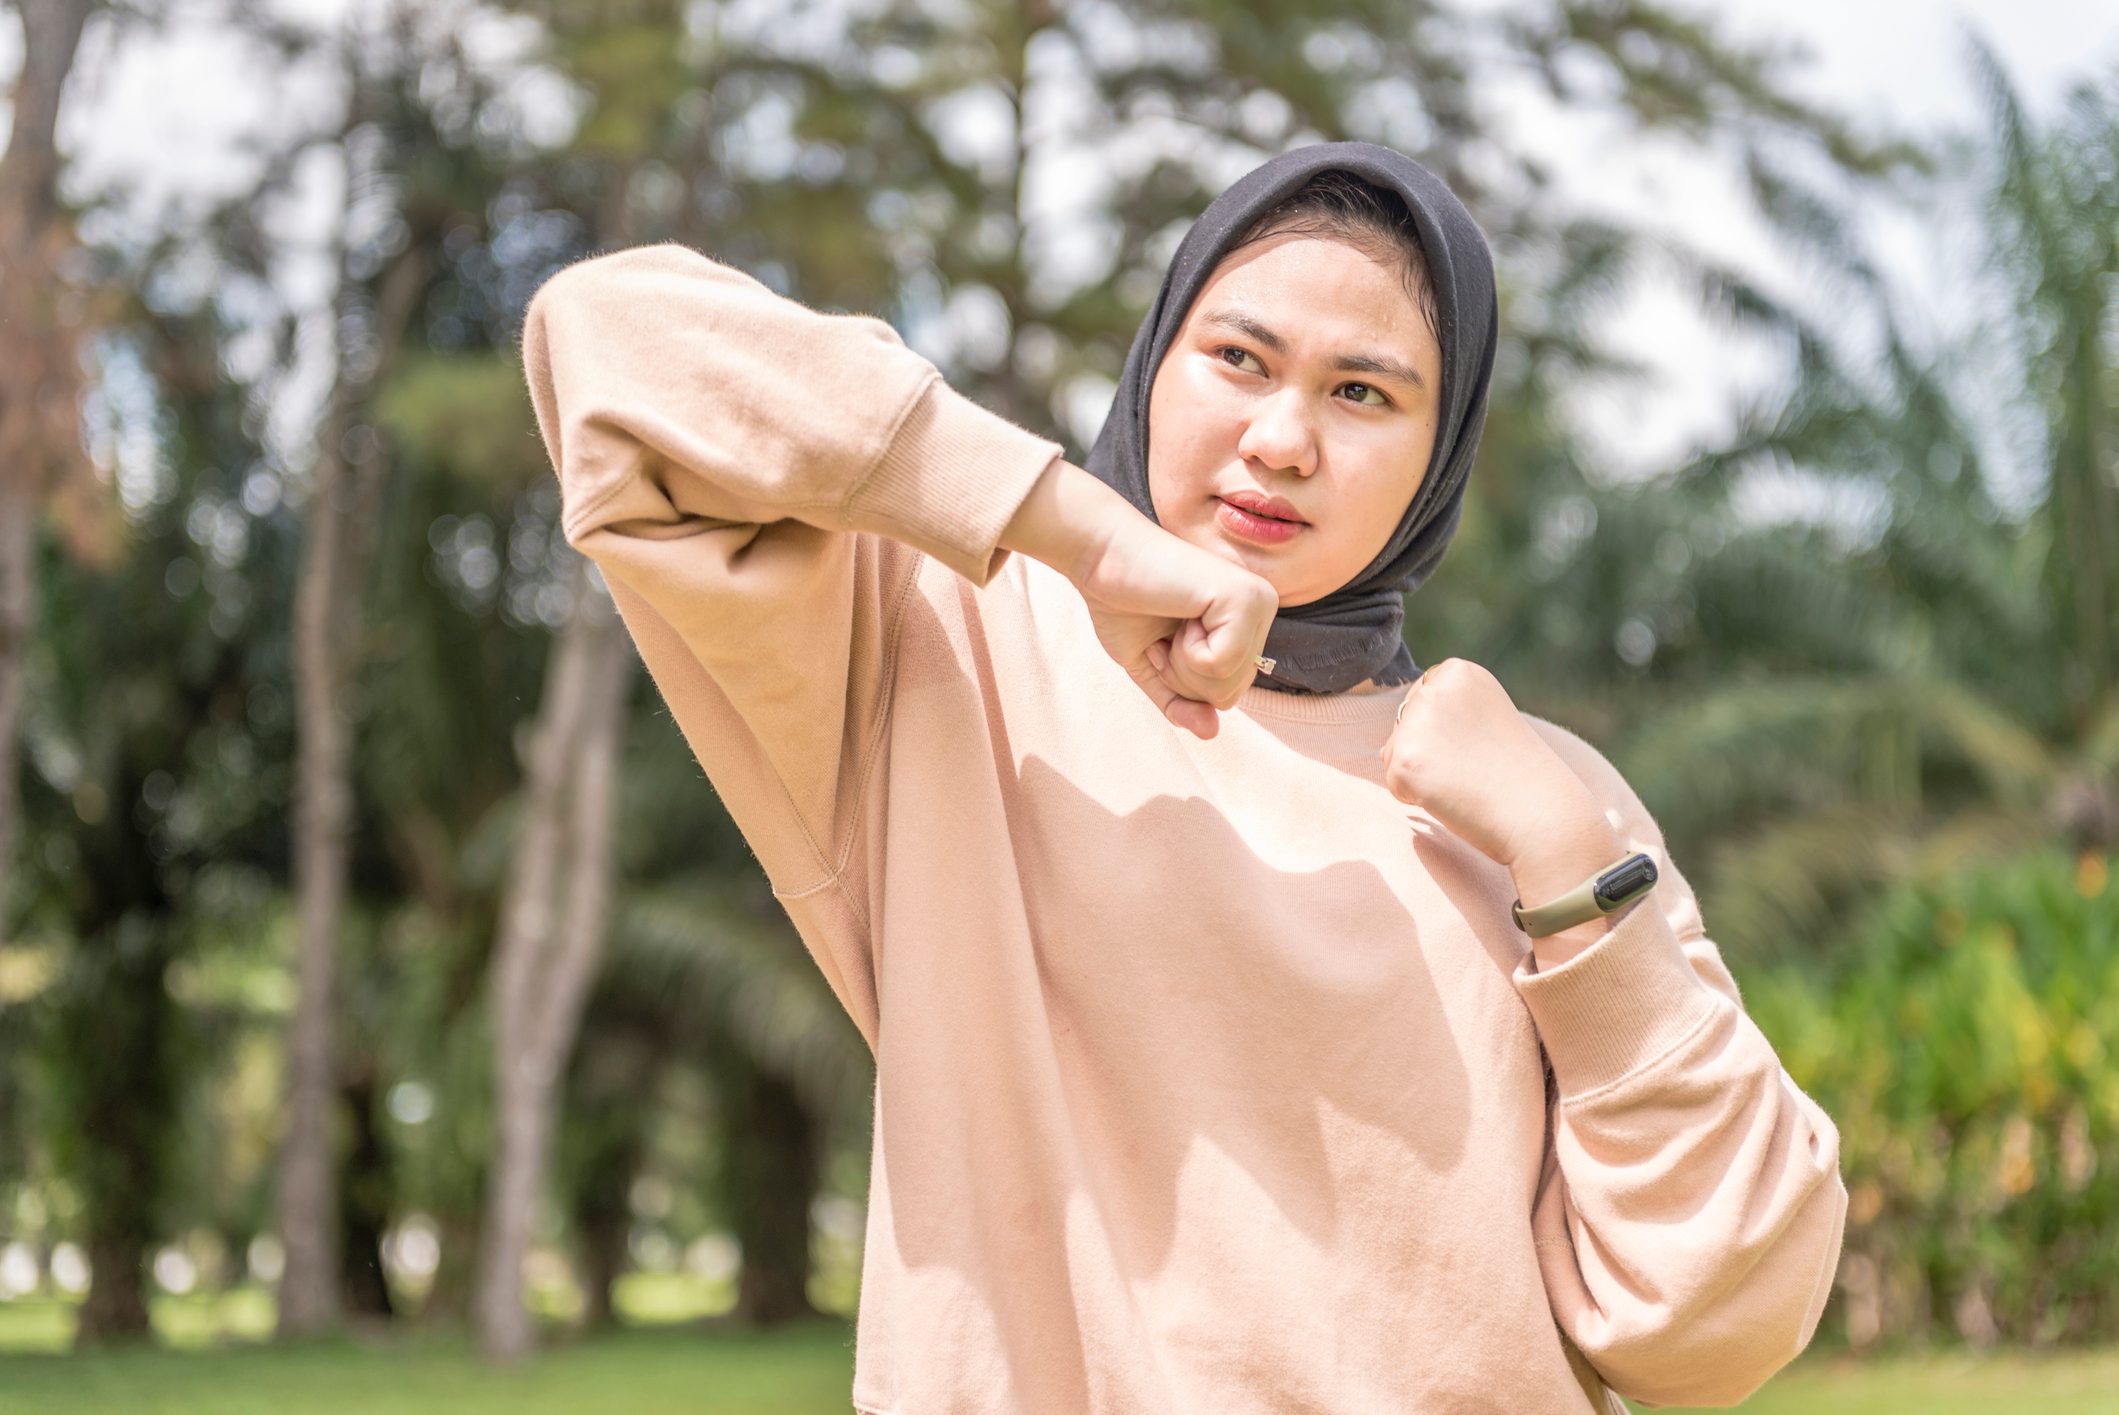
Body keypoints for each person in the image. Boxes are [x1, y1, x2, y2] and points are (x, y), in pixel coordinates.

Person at [519, 140, 1848, 1414]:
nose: (1281, 439)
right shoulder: (944, 649)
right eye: (1237, 358)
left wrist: (1568, 864)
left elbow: (1720, 1321)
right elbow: (609, 342)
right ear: (1156, 362)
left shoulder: (1545, 798)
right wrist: (1076, 537)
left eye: (1363, 392)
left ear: (1443, 457)